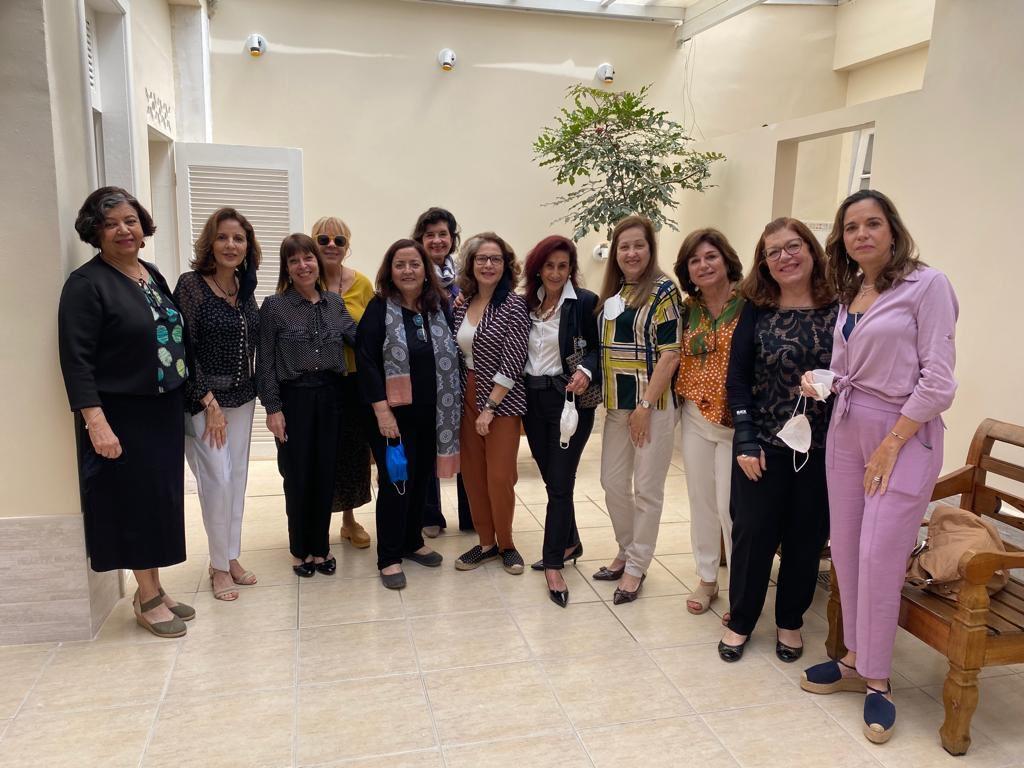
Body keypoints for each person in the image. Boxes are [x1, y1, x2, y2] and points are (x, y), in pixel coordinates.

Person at [799, 190, 958, 746]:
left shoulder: (928, 285)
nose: (861, 234)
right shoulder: (853, 291)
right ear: (841, 239)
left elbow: (939, 381)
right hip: (847, 428)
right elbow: (852, 366)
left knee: (878, 556)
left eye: (872, 223)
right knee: (846, 551)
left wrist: (892, 442)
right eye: (851, 227)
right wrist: (823, 380)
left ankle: (878, 681)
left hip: (903, 435)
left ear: (893, 230)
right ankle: (852, 661)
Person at [58, 186, 193, 638]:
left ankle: (152, 586)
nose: (124, 230)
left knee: (158, 501)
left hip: (163, 408)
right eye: (111, 223)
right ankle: (147, 597)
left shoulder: (149, 273)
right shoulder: (86, 284)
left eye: (130, 221)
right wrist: (96, 422)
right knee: (134, 504)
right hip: (123, 413)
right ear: (95, 231)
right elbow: (76, 361)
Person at [718, 218, 838, 663]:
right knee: (752, 535)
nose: (784, 257)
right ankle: (741, 620)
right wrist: (746, 440)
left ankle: (790, 620)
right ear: (764, 262)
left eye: (793, 247)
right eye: (773, 252)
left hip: (822, 449)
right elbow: (737, 380)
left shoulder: (839, 307)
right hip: (764, 445)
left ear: (810, 250)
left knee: (806, 538)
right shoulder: (756, 308)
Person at [356, 239, 460, 589]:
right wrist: (382, 411)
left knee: (420, 480)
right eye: (400, 264)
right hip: (392, 415)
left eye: (414, 264)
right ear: (390, 270)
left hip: (433, 412)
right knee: (396, 482)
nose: (407, 271)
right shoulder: (379, 307)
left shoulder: (437, 306)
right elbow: (366, 361)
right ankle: (388, 557)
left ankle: (412, 541)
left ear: (425, 270)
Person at [174, 207, 261, 602]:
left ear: (247, 246)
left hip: (243, 398)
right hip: (205, 401)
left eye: (238, 239)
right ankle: (218, 566)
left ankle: (230, 556)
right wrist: (208, 401)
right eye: (223, 237)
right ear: (210, 243)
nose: (231, 245)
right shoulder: (191, 286)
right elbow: (183, 348)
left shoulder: (244, 286)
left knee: (236, 478)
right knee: (217, 480)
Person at [256, 234, 356, 577]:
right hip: (293, 399)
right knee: (297, 475)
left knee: (325, 473)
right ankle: (300, 550)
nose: (303, 266)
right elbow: (264, 362)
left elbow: (359, 338)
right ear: (286, 268)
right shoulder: (274, 306)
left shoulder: (334, 303)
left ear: (318, 262)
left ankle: (321, 548)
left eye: (308, 258)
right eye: (294, 260)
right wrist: (273, 408)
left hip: (331, 396)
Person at [594, 215, 682, 605]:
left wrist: (645, 405)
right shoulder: (613, 291)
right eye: (624, 246)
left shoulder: (663, 290)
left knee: (647, 489)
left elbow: (670, 354)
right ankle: (628, 548)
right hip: (617, 405)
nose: (631, 253)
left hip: (653, 407)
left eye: (638, 245)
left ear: (651, 249)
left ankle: (636, 565)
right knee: (612, 482)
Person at [521, 236, 601, 607]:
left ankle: (554, 563)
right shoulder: (526, 304)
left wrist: (586, 369)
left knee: (559, 483)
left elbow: (599, 348)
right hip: (532, 401)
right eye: (549, 266)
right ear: (538, 268)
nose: (555, 273)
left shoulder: (583, 302)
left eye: (563, 266)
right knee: (552, 477)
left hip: (569, 401)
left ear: (571, 269)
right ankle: (570, 542)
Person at [671, 229, 745, 615]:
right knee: (701, 501)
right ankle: (707, 579)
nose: (703, 265)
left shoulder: (750, 304)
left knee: (731, 508)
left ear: (726, 259)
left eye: (711, 256)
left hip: (737, 423)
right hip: (696, 416)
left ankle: (741, 590)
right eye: (695, 260)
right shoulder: (687, 309)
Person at [452, 233, 531, 575]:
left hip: (502, 400)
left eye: (496, 259)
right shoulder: (462, 304)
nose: (488, 265)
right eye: (481, 258)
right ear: (471, 264)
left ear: (506, 265)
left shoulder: (514, 305)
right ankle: (486, 543)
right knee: (473, 476)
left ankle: (507, 544)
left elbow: (513, 360)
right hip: (464, 396)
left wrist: (489, 407)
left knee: (500, 476)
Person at [312, 216, 374, 550]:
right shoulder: (301, 280)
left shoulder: (361, 284)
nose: (331, 246)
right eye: (323, 239)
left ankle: (349, 520)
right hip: (317, 381)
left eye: (339, 240)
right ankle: (316, 521)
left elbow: (372, 333)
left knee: (353, 453)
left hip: (354, 381)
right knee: (320, 453)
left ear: (347, 246)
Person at [411, 206, 473, 536]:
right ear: (420, 239)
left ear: (452, 238)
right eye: (430, 234)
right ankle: (429, 514)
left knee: (468, 440)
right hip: (425, 374)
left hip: (464, 372)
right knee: (425, 443)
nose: (436, 240)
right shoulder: (413, 275)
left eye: (443, 234)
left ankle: (472, 515)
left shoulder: (466, 277)